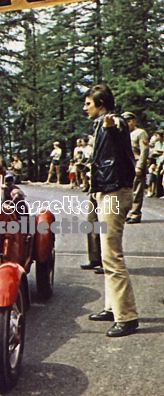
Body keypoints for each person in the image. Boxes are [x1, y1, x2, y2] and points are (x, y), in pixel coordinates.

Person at [83, 83, 138, 337]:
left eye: (88, 104)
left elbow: (118, 125)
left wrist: (113, 123)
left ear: (101, 104)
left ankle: (126, 316)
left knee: (112, 255)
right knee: (107, 255)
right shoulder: (100, 124)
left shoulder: (112, 123)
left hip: (114, 193)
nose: (85, 108)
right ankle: (112, 307)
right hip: (105, 191)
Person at [122, 112, 149, 224]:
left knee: (136, 190)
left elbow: (144, 151)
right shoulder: (123, 134)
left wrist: (140, 166)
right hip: (126, 166)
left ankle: (135, 213)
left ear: (133, 121)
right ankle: (127, 213)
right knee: (126, 191)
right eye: (125, 121)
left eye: (129, 121)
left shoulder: (140, 133)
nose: (127, 123)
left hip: (136, 164)